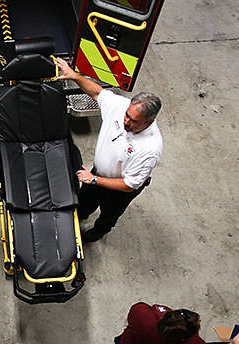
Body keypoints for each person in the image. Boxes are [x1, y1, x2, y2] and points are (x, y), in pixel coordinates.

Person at [55, 57, 163, 242]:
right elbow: (97, 93)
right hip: (97, 174)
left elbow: (129, 185)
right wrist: (73, 76)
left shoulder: (150, 149)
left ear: (149, 121)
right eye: (127, 115)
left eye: (133, 121)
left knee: (109, 215)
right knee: (84, 202)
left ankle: (97, 233)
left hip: (118, 190)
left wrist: (94, 179)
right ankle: (79, 216)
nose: (126, 122)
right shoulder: (122, 108)